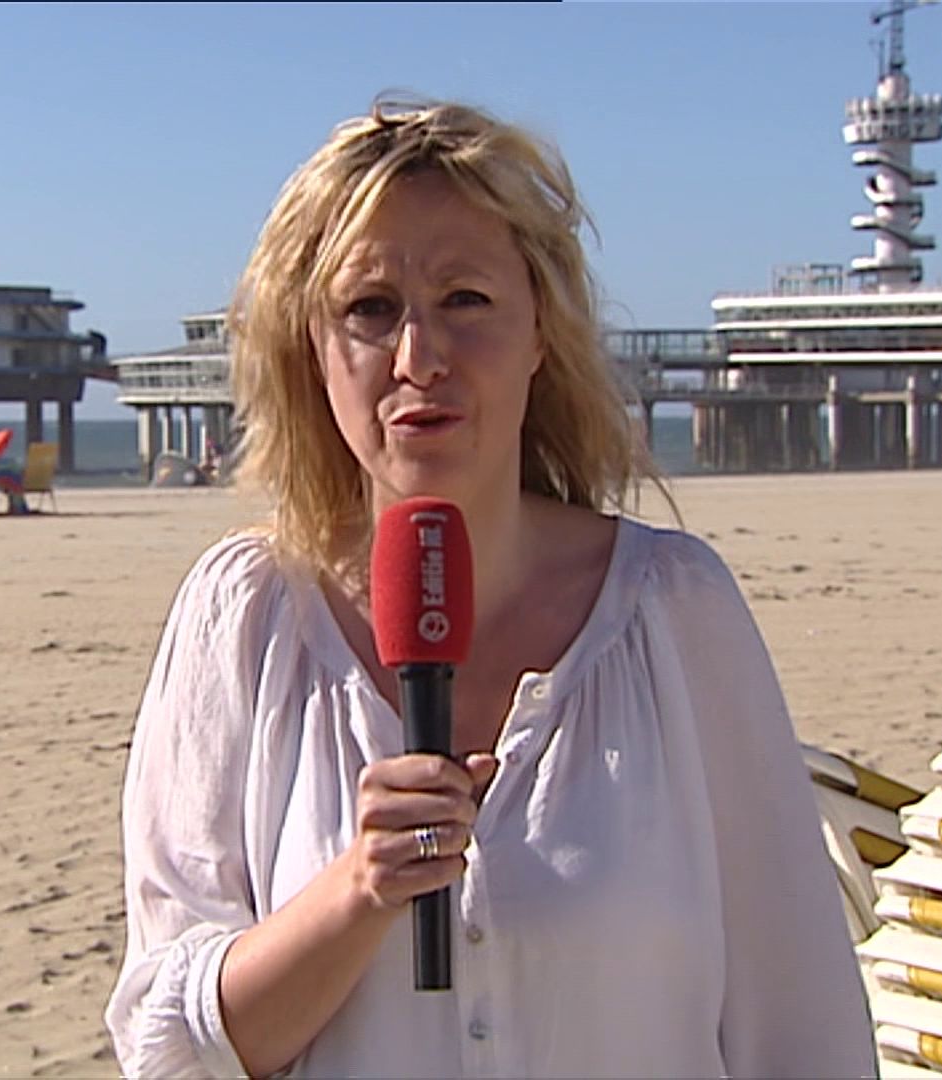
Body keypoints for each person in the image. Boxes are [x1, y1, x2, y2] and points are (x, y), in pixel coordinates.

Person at [104, 97, 874, 1079]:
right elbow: (169, 1046)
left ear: (542, 328)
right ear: (312, 349)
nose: (419, 359)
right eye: (369, 310)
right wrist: (359, 889)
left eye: (464, 300)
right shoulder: (246, 615)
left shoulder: (674, 609)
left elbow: (803, 1019)